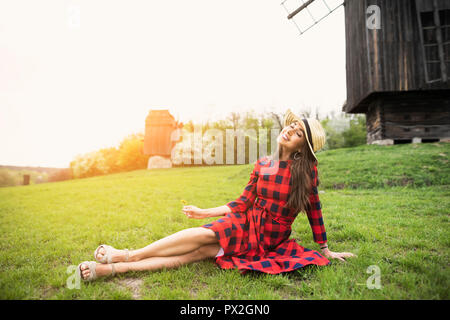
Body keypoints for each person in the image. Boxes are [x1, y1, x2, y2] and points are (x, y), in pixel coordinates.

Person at [78, 109, 356, 281]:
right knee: (203, 238)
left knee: (200, 249)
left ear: (301, 147)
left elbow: (315, 211)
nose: (289, 131)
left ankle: (120, 261)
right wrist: (205, 212)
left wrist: (325, 249)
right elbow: (243, 202)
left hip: (269, 236)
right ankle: (120, 262)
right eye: (290, 127)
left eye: (297, 133)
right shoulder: (262, 163)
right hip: (246, 221)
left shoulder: (305, 172)